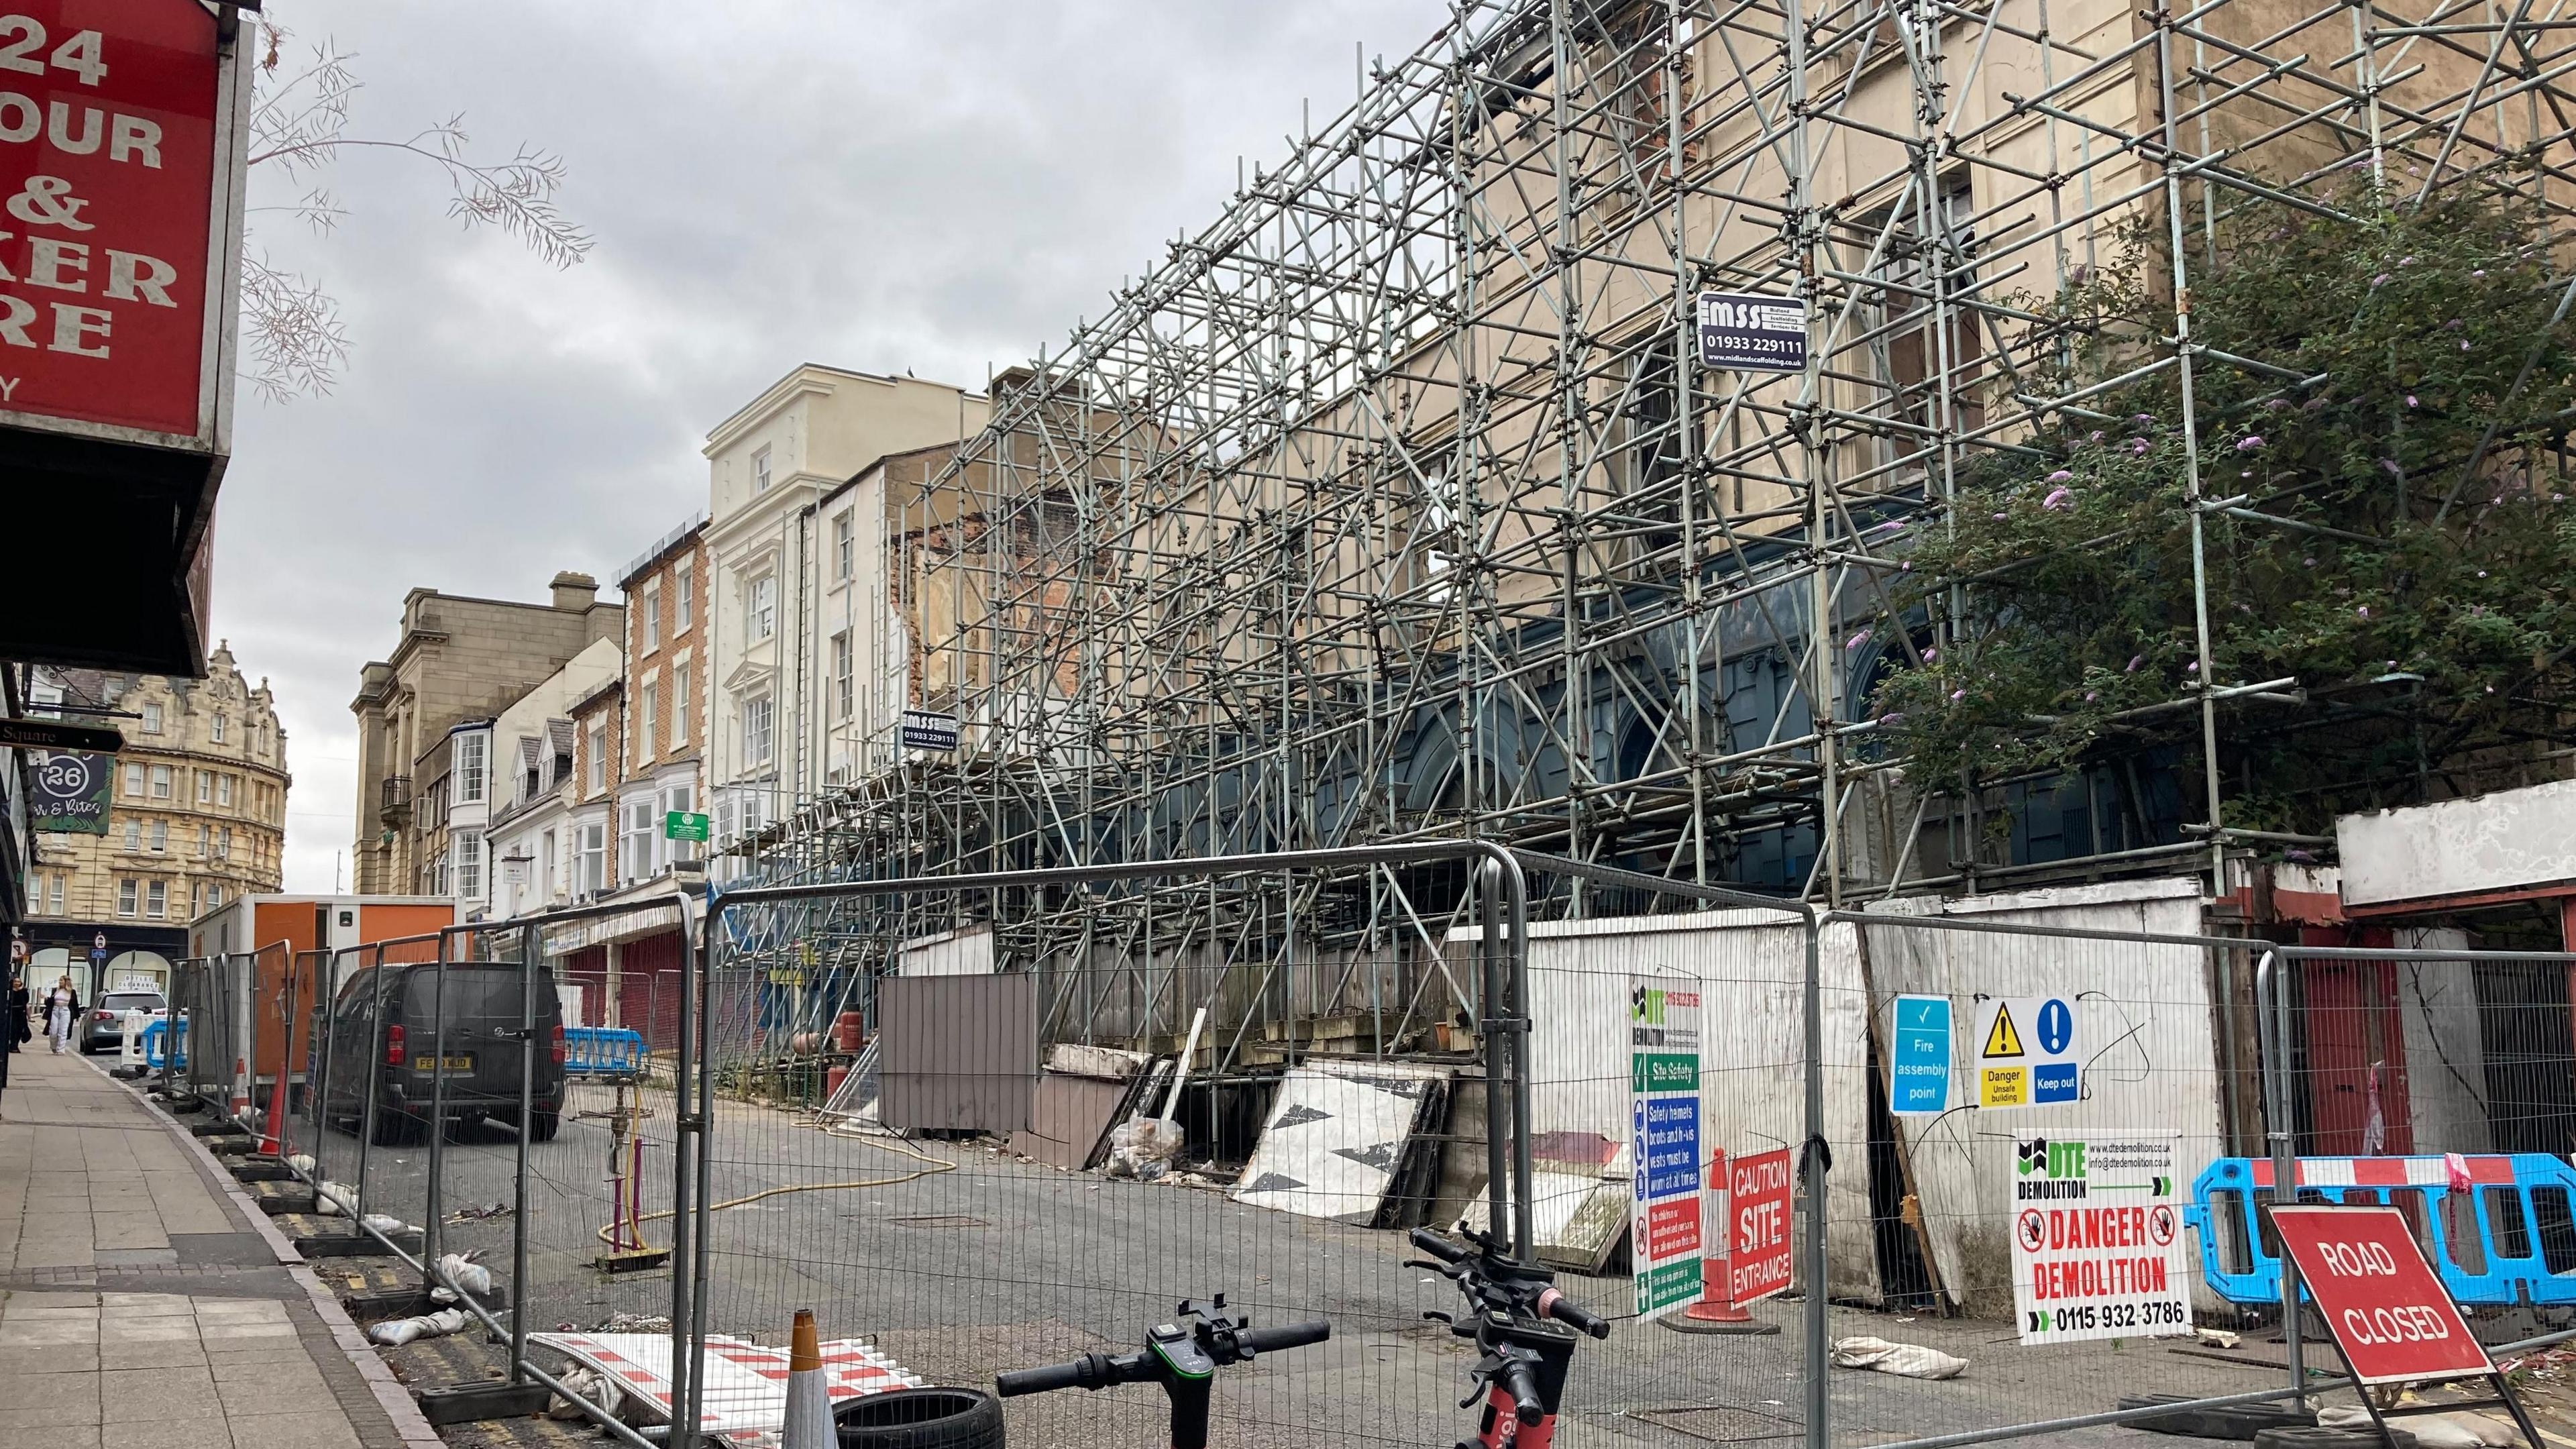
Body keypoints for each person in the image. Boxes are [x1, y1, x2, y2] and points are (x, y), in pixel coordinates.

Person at [46, 975, 77, 1055]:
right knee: (53, 1031)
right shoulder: (56, 990)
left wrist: (76, 1016)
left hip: (65, 1011)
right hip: (55, 1010)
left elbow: (75, 1004)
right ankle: (53, 1046)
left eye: (61, 981)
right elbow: (51, 1001)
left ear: (66, 982)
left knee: (63, 1031)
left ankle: (61, 1050)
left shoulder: (72, 992)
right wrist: (46, 999)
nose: (60, 982)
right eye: (59, 980)